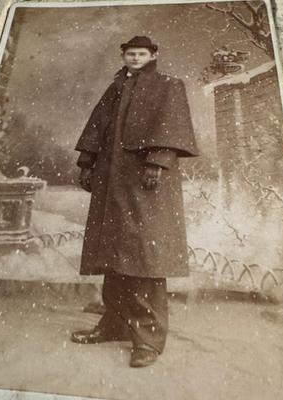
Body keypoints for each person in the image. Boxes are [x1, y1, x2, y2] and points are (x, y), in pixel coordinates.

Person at [71, 36, 198, 368]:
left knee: (144, 258)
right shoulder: (115, 88)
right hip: (112, 182)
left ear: (154, 54)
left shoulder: (169, 86)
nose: (136, 58)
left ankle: (148, 340)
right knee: (114, 254)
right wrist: (87, 163)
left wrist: (156, 163)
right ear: (124, 56)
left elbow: (172, 126)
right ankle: (114, 325)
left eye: (142, 53)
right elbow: (98, 126)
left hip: (146, 183)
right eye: (131, 53)